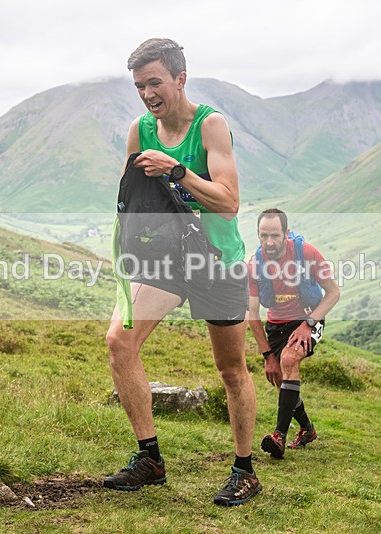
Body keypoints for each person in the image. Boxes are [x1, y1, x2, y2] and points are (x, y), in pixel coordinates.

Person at [104, 38, 261, 506]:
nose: (148, 94)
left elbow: (229, 203)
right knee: (119, 341)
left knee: (230, 369)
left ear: (180, 79)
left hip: (216, 257)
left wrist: (176, 172)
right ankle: (149, 459)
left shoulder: (211, 125)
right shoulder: (140, 130)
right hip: (167, 255)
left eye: (155, 83)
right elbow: (136, 198)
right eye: (139, 87)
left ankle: (244, 470)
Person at [248, 209, 340, 458]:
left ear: (286, 234)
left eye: (275, 236)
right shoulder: (255, 265)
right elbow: (252, 314)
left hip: (309, 319)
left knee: (289, 360)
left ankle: (278, 436)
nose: (269, 242)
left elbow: (333, 292)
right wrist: (267, 355)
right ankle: (307, 429)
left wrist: (308, 323)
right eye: (263, 235)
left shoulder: (306, 253)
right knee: (283, 382)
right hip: (276, 326)